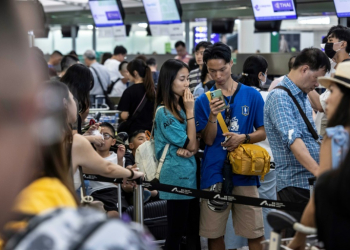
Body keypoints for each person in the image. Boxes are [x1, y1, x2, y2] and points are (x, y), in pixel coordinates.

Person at [195, 42, 266, 250]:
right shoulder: (203, 100)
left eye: (222, 69)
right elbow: (207, 140)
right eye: (212, 71)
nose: (218, 76)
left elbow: (262, 132)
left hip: (245, 170)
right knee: (214, 232)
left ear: (231, 64)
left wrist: (242, 138)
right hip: (214, 171)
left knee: (254, 231)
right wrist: (212, 116)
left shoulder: (252, 95)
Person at [264, 48, 331, 237]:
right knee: (295, 240)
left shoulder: (301, 95)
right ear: (304, 69)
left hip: (308, 183)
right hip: (296, 186)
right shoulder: (280, 97)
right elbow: (295, 143)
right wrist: (320, 172)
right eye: (316, 78)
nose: (317, 84)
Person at [288, 61, 350, 250]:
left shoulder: (336, 139)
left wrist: (297, 240)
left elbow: (319, 198)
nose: (327, 99)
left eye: (333, 91)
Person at [224, 55, 276, 249]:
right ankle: (268, 245)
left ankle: (234, 246)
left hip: (237, 161)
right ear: (262, 75)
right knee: (265, 207)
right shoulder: (266, 96)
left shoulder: (234, 94)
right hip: (265, 161)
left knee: (235, 208)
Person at [155, 59, 198, 250]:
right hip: (175, 178)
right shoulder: (164, 112)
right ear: (169, 80)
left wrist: (192, 146)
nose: (187, 84)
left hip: (189, 176)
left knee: (192, 233)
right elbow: (191, 142)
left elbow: (195, 144)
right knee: (175, 233)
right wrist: (190, 112)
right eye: (182, 79)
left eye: (188, 79)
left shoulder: (180, 107)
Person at [88, 122, 125, 217]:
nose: (101, 138)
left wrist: (120, 160)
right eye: (98, 135)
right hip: (94, 192)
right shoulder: (87, 157)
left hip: (113, 192)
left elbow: (120, 181)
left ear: (113, 142)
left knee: (113, 214)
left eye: (106, 135)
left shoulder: (118, 157)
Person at [117, 59, 155, 135]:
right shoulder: (154, 90)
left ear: (135, 73)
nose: (127, 74)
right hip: (151, 132)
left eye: (128, 72)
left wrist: (120, 115)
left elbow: (124, 116)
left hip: (135, 133)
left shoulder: (129, 91)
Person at [60, 63, 94, 134]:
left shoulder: (61, 92)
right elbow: (72, 140)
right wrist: (92, 139)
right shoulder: (70, 99)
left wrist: (86, 134)